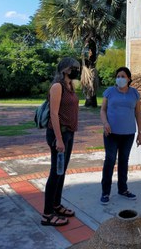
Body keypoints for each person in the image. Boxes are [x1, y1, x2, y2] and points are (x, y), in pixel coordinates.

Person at [41, 57, 80, 226]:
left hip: (68, 134)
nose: (77, 70)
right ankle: (47, 215)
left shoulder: (69, 86)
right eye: (74, 68)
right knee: (55, 172)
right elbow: (54, 114)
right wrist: (58, 139)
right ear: (65, 69)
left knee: (61, 172)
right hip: (59, 135)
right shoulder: (57, 86)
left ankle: (56, 205)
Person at [100, 66, 141, 205]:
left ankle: (123, 189)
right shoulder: (109, 92)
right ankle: (105, 192)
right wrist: (105, 123)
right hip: (111, 133)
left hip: (128, 133)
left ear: (129, 79)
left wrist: (140, 132)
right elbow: (103, 110)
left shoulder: (134, 93)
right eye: (118, 76)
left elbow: (138, 113)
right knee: (110, 161)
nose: (120, 78)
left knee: (124, 161)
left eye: (123, 76)